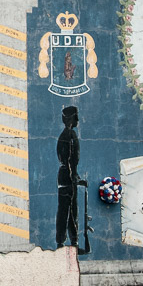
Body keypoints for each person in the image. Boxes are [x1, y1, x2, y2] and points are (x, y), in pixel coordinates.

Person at [55, 105, 86, 247]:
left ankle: (61, 241)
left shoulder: (63, 135)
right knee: (71, 210)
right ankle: (73, 241)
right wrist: (74, 176)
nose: (78, 119)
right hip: (68, 176)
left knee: (63, 210)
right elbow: (69, 160)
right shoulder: (70, 135)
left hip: (63, 176)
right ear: (72, 119)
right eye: (76, 116)